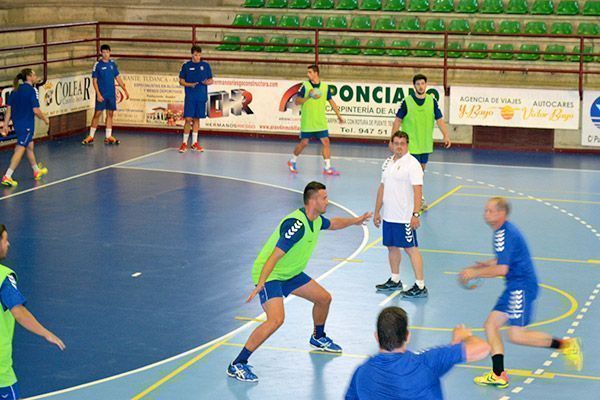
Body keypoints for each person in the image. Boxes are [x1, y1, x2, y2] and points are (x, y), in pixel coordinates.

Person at [227, 182, 371, 382]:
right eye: (324, 198)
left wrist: (356, 221)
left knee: (324, 299)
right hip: (271, 275)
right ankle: (237, 364)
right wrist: (261, 283)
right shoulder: (296, 225)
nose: (327, 201)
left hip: (291, 273)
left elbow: (334, 223)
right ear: (312, 201)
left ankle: (318, 337)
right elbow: (274, 256)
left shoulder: (317, 219)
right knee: (276, 319)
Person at [459, 197, 583, 389]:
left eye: (490, 211)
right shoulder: (503, 231)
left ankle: (566, 345)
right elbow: (504, 259)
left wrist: (474, 272)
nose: (486, 214)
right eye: (485, 210)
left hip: (521, 287)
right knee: (491, 325)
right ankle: (498, 374)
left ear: (502, 213)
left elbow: (502, 269)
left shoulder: (504, 234)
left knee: (516, 335)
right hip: (515, 286)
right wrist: (487, 264)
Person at [345, 306, 490, 400]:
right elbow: (483, 348)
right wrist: (464, 337)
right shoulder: (427, 362)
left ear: (377, 336)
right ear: (407, 336)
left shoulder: (362, 373)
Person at [0, 224, 66, 400]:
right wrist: (46, 333)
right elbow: (19, 312)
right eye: (5, 239)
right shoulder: (3, 277)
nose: (8, 244)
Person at [374, 131, 427, 298]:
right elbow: (382, 187)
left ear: (407, 145)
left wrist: (415, 214)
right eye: (396, 143)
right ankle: (395, 279)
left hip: (404, 217)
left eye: (402, 143)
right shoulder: (388, 162)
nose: (398, 146)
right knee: (391, 247)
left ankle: (420, 285)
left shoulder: (412, 164)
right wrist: (377, 211)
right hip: (389, 215)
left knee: (411, 249)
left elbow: (418, 191)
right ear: (391, 144)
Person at [391, 74, 451, 210]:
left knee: (421, 172)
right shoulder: (407, 102)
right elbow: (397, 120)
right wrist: (393, 139)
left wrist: (446, 135)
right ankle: (418, 199)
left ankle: (414, 196)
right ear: (414, 86)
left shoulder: (431, 101)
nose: (420, 86)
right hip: (411, 145)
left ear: (426, 85)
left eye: (422, 83)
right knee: (414, 173)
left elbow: (440, 119)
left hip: (425, 144)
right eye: (418, 84)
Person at [288, 65, 344, 176]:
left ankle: (327, 168)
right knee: (304, 143)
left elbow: (331, 101)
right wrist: (308, 97)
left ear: (316, 73)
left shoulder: (324, 87)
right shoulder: (305, 86)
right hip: (308, 121)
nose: (307, 74)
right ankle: (292, 161)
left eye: (309, 72)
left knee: (326, 142)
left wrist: (338, 115)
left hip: (320, 121)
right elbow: (297, 101)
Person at [1, 69, 49, 187]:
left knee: (29, 146)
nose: (36, 76)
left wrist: (6, 126)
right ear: (29, 77)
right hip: (26, 125)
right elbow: (36, 110)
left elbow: (9, 111)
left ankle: (36, 170)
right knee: (20, 148)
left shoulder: (14, 91)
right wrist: (45, 118)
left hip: (18, 125)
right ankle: (8, 175)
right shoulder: (32, 91)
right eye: (34, 75)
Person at [82, 44, 129, 145]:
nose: (105, 54)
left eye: (107, 52)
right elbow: (94, 81)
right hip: (102, 94)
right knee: (97, 114)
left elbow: (118, 77)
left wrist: (125, 90)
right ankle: (91, 136)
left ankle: (108, 136)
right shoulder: (97, 65)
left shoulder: (113, 64)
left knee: (110, 114)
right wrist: (98, 94)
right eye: (103, 52)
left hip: (111, 94)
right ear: (101, 53)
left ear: (110, 52)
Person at [178, 45, 213, 153]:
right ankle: (184, 143)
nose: (197, 57)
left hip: (201, 96)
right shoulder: (186, 66)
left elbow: (211, 80)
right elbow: (181, 81)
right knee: (188, 119)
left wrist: (207, 82)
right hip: (190, 97)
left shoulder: (206, 65)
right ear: (192, 54)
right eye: (195, 55)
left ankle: (194, 143)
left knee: (197, 119)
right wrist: (189, 84)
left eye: (199, 55)